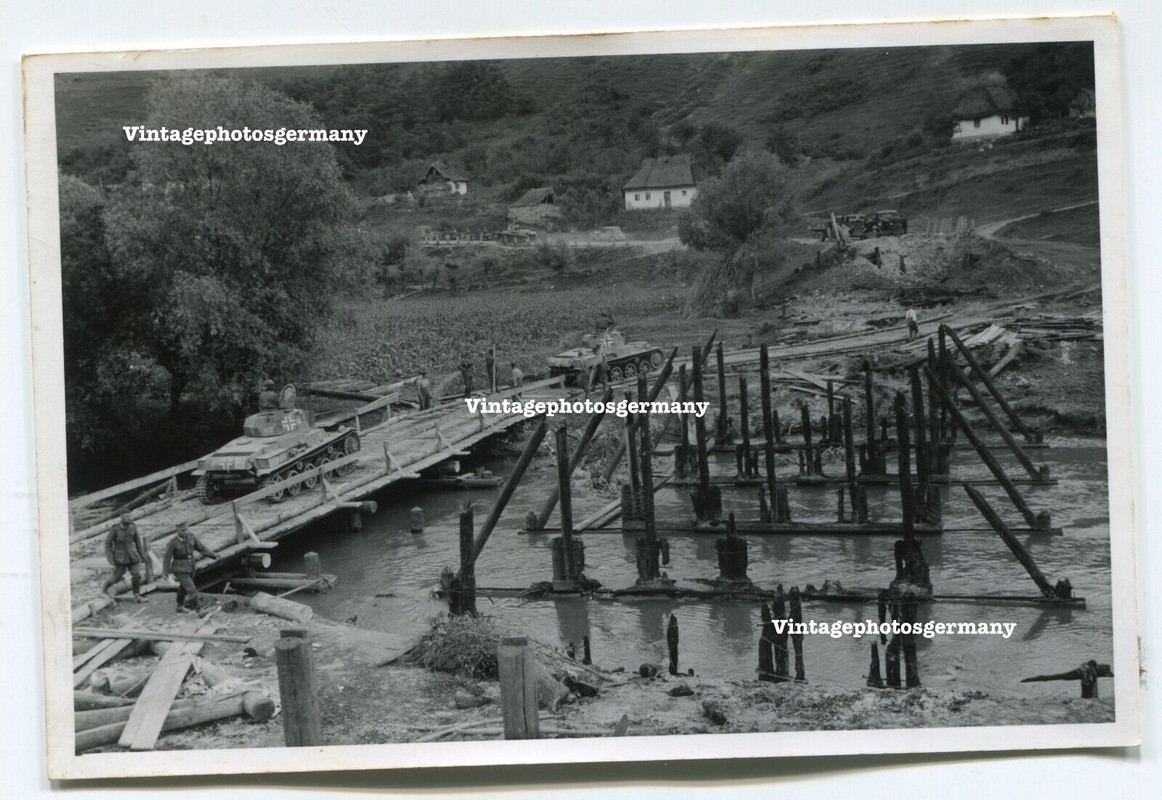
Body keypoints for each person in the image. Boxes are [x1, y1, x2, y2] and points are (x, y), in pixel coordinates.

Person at [163, 522, 220, 613]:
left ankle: (179, 606)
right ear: (177, 530)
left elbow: (202, 548)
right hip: (179, 568)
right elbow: (167, 558)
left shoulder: (192, 537)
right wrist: (165, 573)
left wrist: (214, 555)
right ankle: (199, 609)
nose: (185, 532)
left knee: (184, 586)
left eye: (186, 529)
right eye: (182, 530)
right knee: (191, 588)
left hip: (191, 566)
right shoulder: (173, 542)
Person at [103, 514, 151, 602]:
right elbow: (108, 544)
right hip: (120, 557)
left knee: (136, 575)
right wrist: (110, 558)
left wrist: (142, 555)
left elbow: (138, 542)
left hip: (132, 556)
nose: (129, 518)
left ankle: (137, 596)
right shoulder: (115, 529)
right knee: (116, 577)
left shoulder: (133, 527)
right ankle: (105, 589)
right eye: (126, 517)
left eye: (129, 516)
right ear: (121, 517)